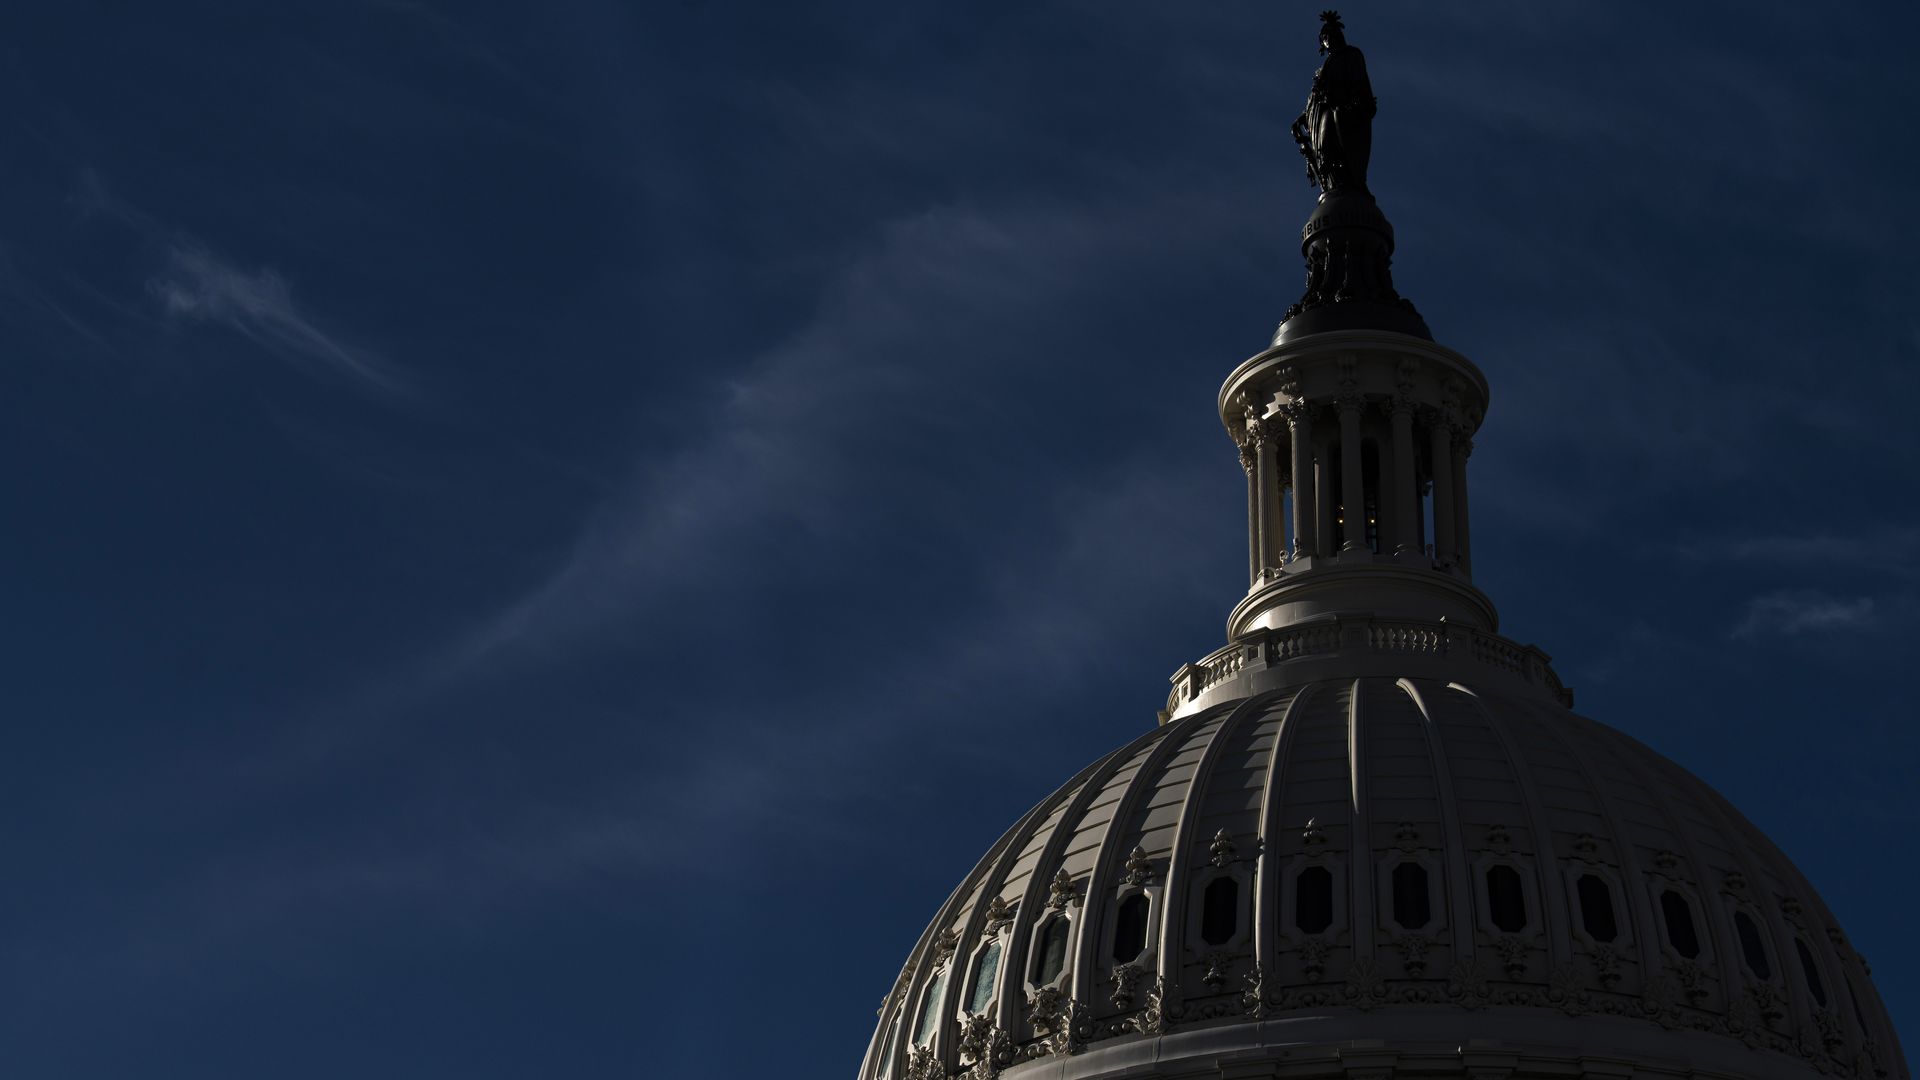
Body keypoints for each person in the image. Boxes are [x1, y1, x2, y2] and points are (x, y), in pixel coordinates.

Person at [1290, 11, 1377, 193]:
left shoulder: (1351, 55)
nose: (1329, 39)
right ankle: (1334, 186)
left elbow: (1360, 83)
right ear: (1322, 44)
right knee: (1325, 152)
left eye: (1332, 35)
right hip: (1323, 114)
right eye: (1325, 37)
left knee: (1341, 151)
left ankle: (1350, 184)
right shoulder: (1323, 69)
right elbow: (1315, 100)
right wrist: (1303, 118)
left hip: (1342, 112)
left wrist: (1358, 105)